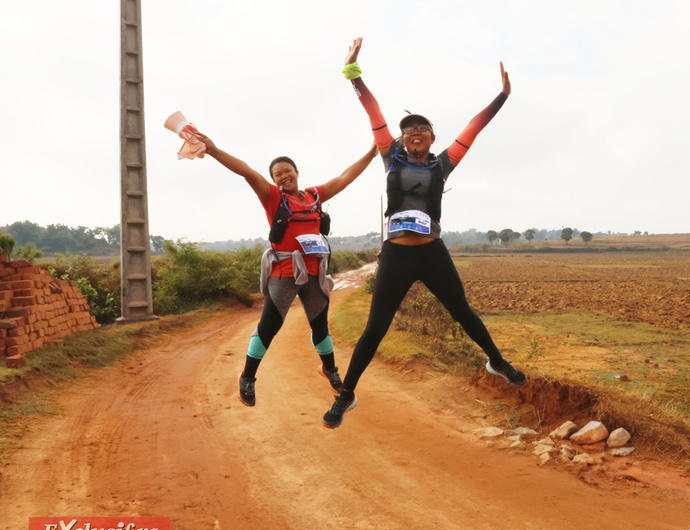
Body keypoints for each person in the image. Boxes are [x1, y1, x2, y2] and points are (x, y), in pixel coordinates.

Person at [323, 37, 527, 429]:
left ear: (432, 138)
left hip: (432, 252)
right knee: (375, 328)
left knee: (462, 311)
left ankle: (497, 362)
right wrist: (353, 75)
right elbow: (373, 111)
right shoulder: (389, 156)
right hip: (397, 254)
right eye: (408, 129)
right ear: (400, 139)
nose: (414, 132)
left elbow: (474, 129)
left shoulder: (444, 165)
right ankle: (346, 395)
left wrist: (502, 96)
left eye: (422, 128)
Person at [196, 131, 377, 407]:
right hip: (283, 271)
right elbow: (246, 172)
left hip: (315, 272)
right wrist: (213, 150)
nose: (283, 176)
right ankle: (247, 376)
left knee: (320, 326)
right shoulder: (272, 198)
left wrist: (372, 153)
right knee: (269, 325)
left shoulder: (314, 196)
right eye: (278, 174)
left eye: (287, 171)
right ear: (274, 180)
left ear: (296, 172)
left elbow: (344, 178)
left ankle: (329, 370)